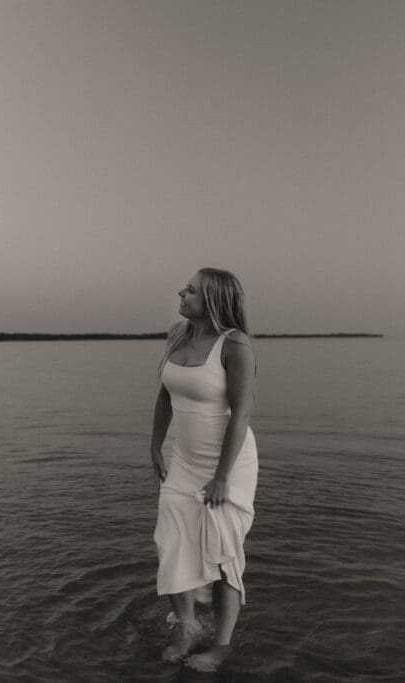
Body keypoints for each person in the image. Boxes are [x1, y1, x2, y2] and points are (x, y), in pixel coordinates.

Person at [150, 267, 258, 672]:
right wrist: (155, 444)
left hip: (228, 462)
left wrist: (222, 477)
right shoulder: (178, 335)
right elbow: (164, 394)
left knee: (225, 551)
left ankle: (223, 646)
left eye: (191, 289)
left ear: (212, 299)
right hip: (183, 460)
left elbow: (241, 414)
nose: (181, 291)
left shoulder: (236, 345)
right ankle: (188, 627)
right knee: (171, 540)